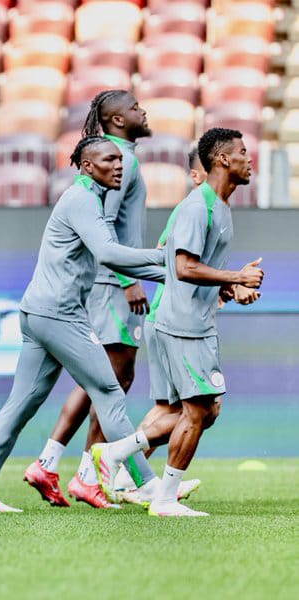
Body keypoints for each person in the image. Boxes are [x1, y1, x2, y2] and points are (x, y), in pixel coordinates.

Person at [0, 136, 168, 511]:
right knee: (109, 393)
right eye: (109, 160)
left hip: (38, 312)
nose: (119, 165)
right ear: (87, 166)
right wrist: (166, 260)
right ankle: (149, 487)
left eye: (120, 160)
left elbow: (108, 255)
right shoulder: (83, 200)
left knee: (20, 405)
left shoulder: (86, 198)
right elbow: (108, 253)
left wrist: (167, 272)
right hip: (60, 314)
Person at [91, 128, 264, 517]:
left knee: (202, 410)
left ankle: (117, 457)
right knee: (198, 411)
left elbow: (193, 268)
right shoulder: (197, 207)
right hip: (182, 324)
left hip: (193, 321)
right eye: (242, 151)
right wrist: (236, 277)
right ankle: (163, 498)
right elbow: (182, 267)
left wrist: (231, 288)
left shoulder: (220, 207)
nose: (249, 158)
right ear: (222, 159)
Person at [26, 90, 155, 509]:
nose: (142, 111)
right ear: (116, 119)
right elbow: (104, 224)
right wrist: (128, 280)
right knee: (112, 379)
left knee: (104, 378)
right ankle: (85, 475)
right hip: (113, 283)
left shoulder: (115, 156)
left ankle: (54, 464)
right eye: (134, 108)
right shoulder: (120, 161)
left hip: (108, 281)